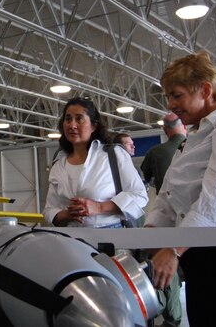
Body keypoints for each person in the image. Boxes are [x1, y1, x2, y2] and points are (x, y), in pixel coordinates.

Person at [145, 52, 216, 326]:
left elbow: (215, 200)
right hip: (203, 264)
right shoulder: (192, 139)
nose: (172, 106)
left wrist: (173, 250)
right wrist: (148, 238)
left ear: (206, 90)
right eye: (169, 98)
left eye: (177, 95)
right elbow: (167, 197)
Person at [43, 97, 148, 228]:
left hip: (111, 236)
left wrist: (99, 207)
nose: (72, 125)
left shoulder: (114, 154)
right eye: (68, 119)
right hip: (71, 239)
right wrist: (68, 214)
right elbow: (49, 210)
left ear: (93, 126)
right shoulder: (58, 164)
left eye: (79, 118)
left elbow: (139, 195)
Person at [141, 113, 187, 327]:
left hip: (167, 219)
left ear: (165, 130)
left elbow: (145, 183)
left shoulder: (156, 152)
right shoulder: (194, 145)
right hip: (197, 221)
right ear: (182, 127)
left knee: (167, 270)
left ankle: (170, 314)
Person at [141, 113, 187, 194]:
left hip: (166, 201)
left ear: (165, 130)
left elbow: (147, 177)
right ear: (185, 126)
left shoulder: (154, 152)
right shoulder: (199, 146)